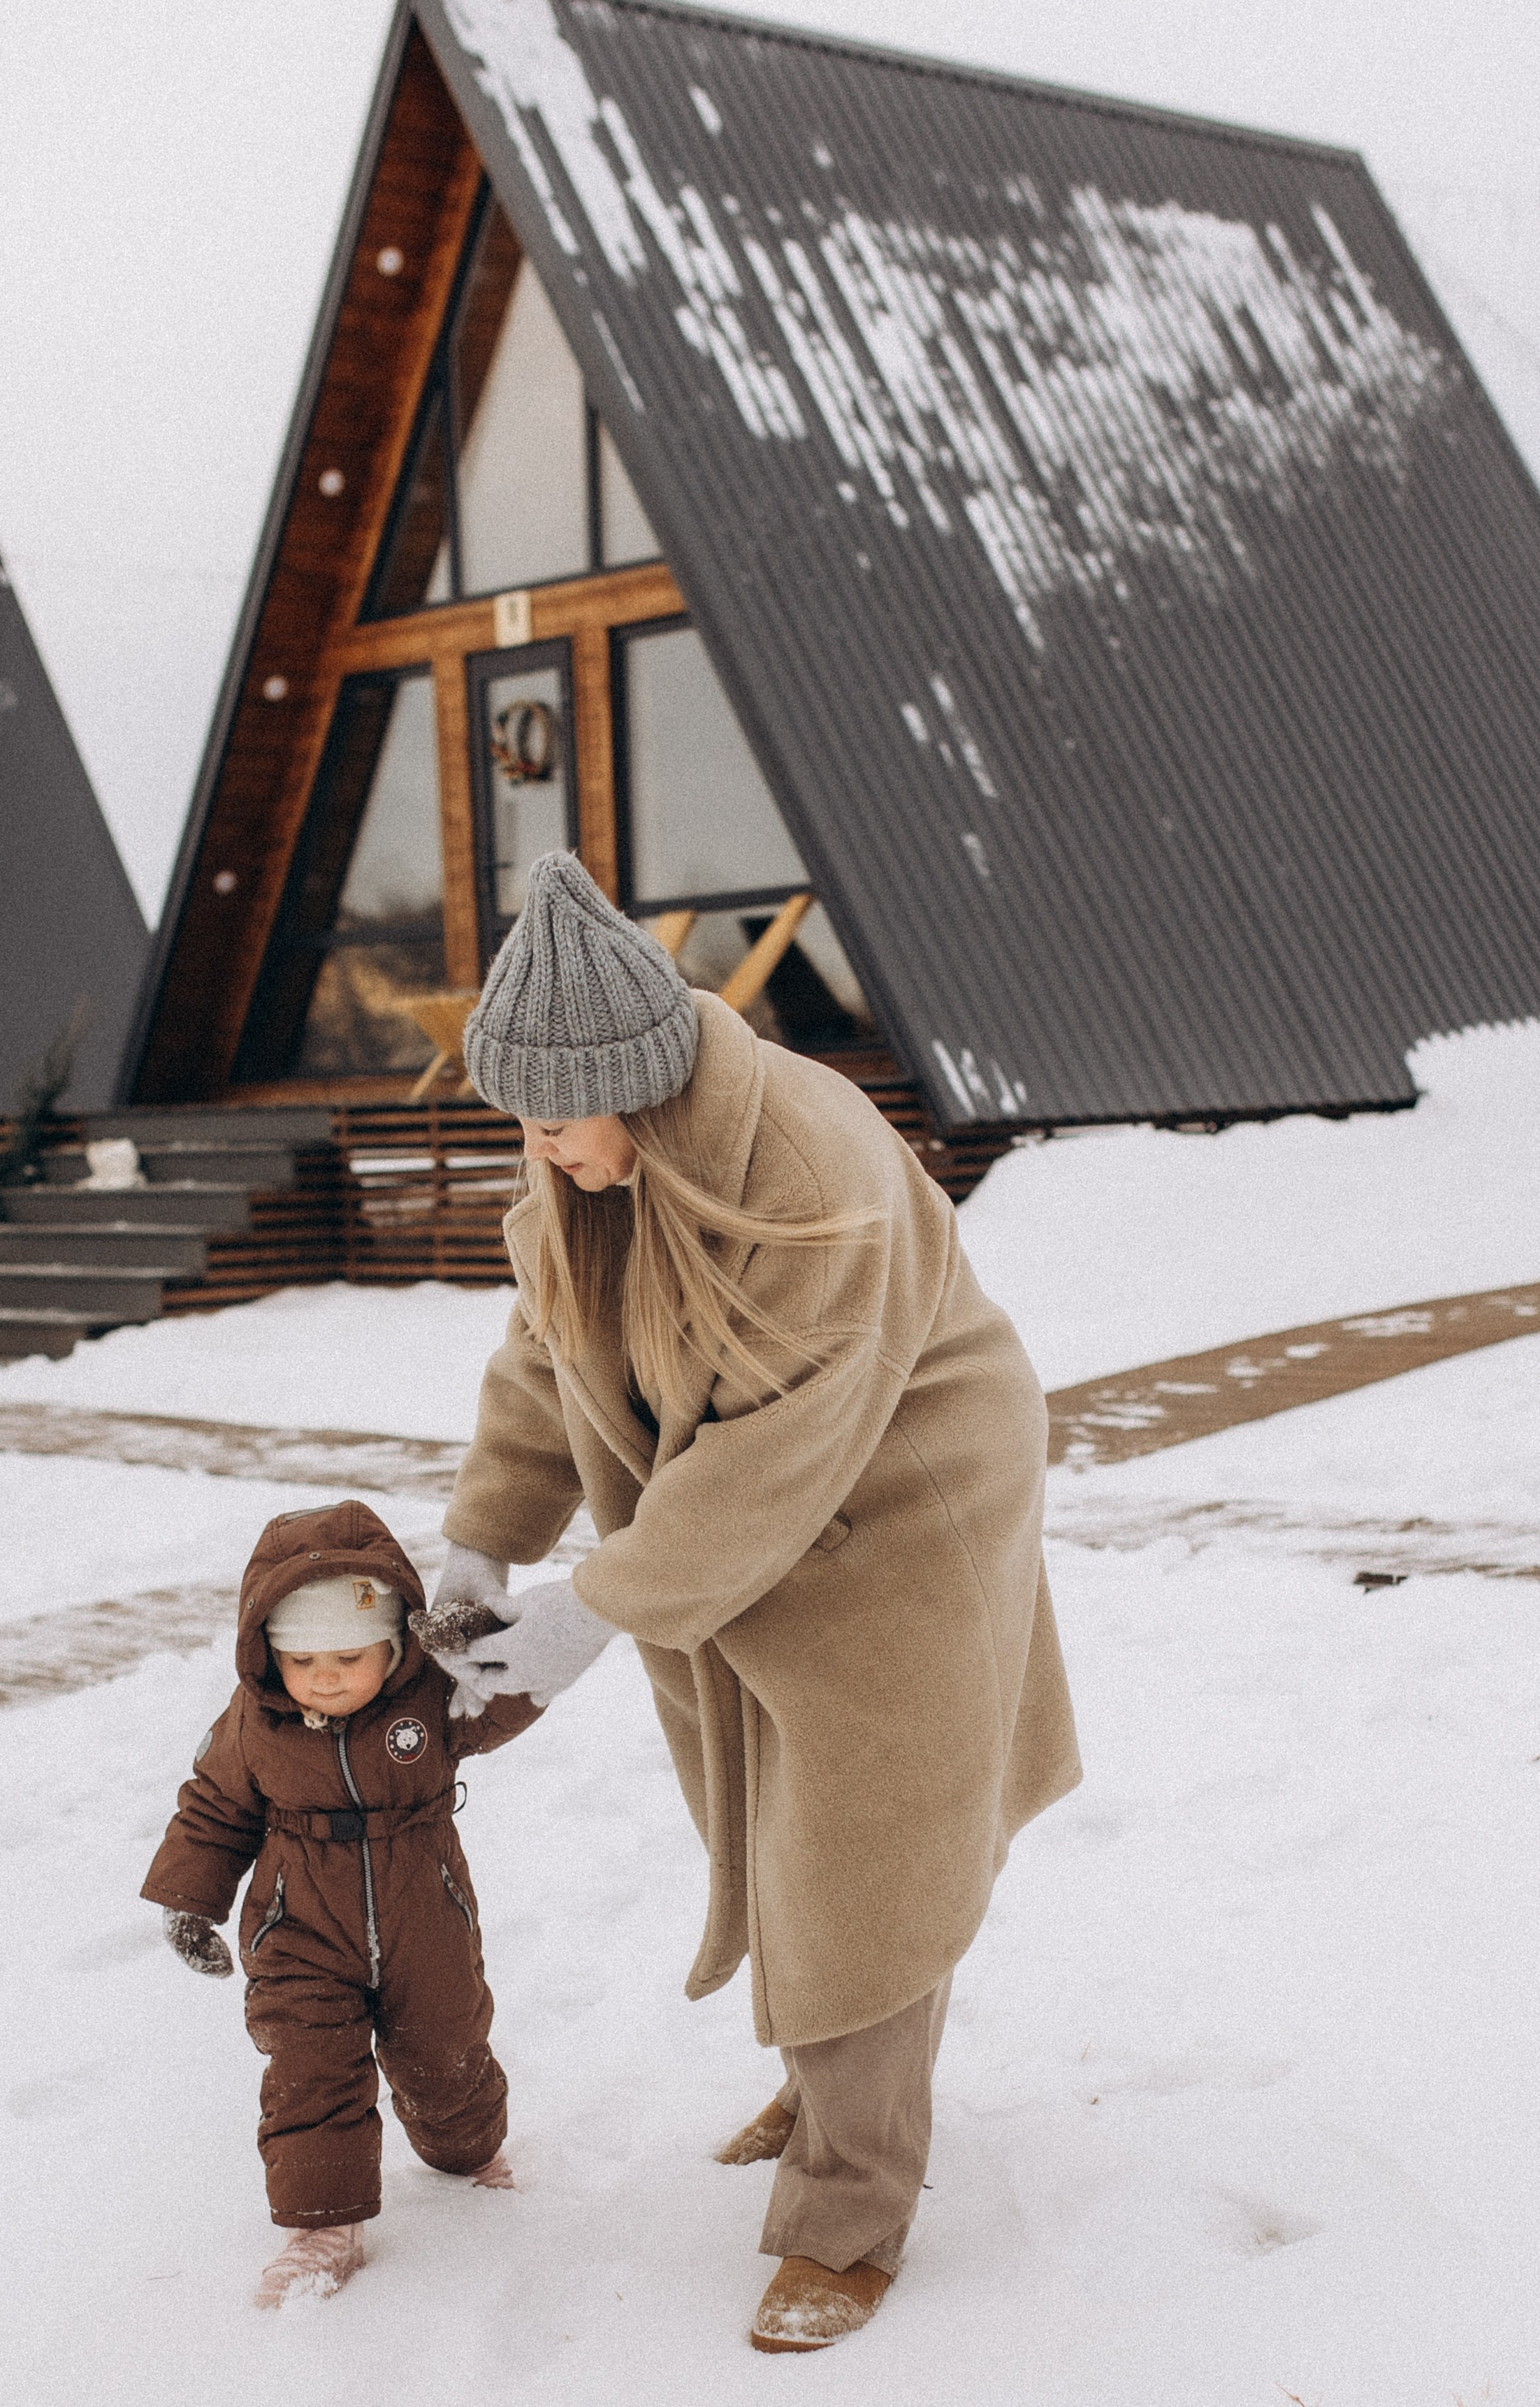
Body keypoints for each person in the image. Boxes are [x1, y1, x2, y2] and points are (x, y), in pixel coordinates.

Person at [430, 851, 1082, 2355]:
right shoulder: (584, 1165)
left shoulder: (806, 1167)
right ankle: (836, 2071)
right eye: (515, 1117)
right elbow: (550, 1353)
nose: (535, 1144)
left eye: (552, 1116)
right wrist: (482, 1535)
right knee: (780, 1825)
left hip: (901, 1505)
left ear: (642, 1082)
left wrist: (594, 1609)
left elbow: (777, 1446)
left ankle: (848, 2212)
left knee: (859, 1843)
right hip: (727, 1523)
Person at [141, 1499, 540, 2308]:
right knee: (309, 2068)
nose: (323, 1675)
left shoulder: (428, 1697)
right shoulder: (254, 1723)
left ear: (393, 1644)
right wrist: (191, 1900)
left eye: (348, 1654)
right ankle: (323, 2222)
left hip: (424, 1913)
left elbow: (513, 1696)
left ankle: (467, 2149)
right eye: (299, 1657)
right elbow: (213, 1809)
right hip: (298, 1928)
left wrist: (486, 1645)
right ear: (266, 1654)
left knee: (445, 2047)